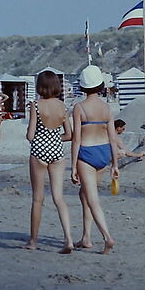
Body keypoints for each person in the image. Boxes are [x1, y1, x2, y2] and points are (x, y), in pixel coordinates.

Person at [24, 71, 75, 253]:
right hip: (57, 151)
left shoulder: (35, 105)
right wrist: (54, 139)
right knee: (59, 198)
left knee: (38, 199)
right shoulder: (62, 106)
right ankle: (68, 239)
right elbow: (69, 135)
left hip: (39, 151)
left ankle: (33, 240)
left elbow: (30, 135)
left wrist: (42, 139)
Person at [71, 65, 118, 254]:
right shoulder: (107, 108)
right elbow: (113, 138)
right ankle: (86, 237)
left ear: (82, 87)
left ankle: (107, 237)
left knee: (92, 198)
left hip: (87, 153)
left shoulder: (79, 107)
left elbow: (76, 139)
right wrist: (115, 163)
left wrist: (73, 165)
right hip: (104, 152)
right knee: (84, 195)